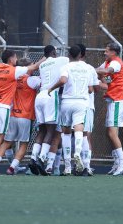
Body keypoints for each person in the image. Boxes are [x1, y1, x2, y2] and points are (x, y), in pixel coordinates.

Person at [0, 50, 45, 173]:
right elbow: (40, 77)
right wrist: (47, 57)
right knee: (20, 142)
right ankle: (0, 167)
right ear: (11, 59)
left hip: (0, 108)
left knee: (0, 140)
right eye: (14, 57)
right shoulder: (24, 76)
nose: (16, 59)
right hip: (17, 113)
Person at [48, 45, 94, 175]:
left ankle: (67, 167)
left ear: (69, 55)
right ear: (80, 55)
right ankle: (78, 153)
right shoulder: (87, 68)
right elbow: (91, 89)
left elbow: (63, 80)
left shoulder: (66, 67)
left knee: (66, 132)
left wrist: (51, 89)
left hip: (67, 101)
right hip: (81, 102)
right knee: (80, 128)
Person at [0, 58, 41, 175]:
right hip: (25, 116)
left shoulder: (13, 79)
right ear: (27, 67)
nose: (34, 67)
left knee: (7, 142)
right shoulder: (32, 80)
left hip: (13, 115)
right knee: (24, 143)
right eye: (32, 65)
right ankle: (12, 167)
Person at [29, 45, 69, 175]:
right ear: (53, 52)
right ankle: (41, 159)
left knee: (41, 130)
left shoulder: (42, 65)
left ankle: (33, 158)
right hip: (51, 95)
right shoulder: (61, 60)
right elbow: (71, 61)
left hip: (39, 96)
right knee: (51, 131)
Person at [96, 42, 123, 176]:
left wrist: (92, 71)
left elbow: (104, 71)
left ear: (113, 52)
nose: (105, 53)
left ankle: (122, 162)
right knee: (109, 133)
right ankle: (117, 162)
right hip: (112, 101)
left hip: (118, 101)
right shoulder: (108, 62)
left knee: (112, 133)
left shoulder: (116, 63)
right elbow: (100, 70)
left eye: (107, 51)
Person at [77, 43, 105, 176]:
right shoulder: (89, 69)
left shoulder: (67, 67)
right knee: (86, 136)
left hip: (71, 105)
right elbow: (95, 88)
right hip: (86, 105)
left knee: (73, 135)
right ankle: (85, 165)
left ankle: (80, 165)